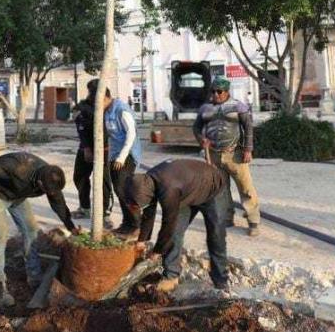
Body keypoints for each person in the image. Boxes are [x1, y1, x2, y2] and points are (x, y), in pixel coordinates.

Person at [0, 152, 78, 307]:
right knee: (1, 233)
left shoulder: (51, 178)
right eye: (47, 191)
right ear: (40, 183)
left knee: (31, 230)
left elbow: (58, 203)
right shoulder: (18, 166)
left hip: (17, 196)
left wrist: (71, 227)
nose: (50, 194)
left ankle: (34, 277)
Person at [124, 159, 229, 293]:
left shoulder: (168, 189)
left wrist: (157, 250)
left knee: (215, 238)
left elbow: (168, 224)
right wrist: (142, 240)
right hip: (186, 192)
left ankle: (221, 282)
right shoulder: (147, 182)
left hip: (213, 188)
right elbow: (148, 212)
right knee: (175, 234)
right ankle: (171, 276)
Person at [193, 76, 261, 236]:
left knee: (246, 188)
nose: (216, 95)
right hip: (214, 155)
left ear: (227, 91)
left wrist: (247, 149)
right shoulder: (205, 109)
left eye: (219, 91)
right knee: (221, 189)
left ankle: (253, 221)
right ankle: (227, 218)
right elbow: (196, 127)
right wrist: (201, 140)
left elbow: (248, 128)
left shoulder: (239, 106)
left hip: (234, 154)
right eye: (213, 91)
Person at [90, 80, 143, 235]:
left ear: (106, 97)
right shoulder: (106, 111)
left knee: (124, 190)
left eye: (99, 102)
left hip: (127, 155)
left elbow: (131, 134)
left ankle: (136, 225)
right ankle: (127, 223)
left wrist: (121, 157)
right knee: (119, 190)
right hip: (115, 154)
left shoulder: (121, 110)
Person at [72, 80, 113, 226]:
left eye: (92, 92)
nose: (90, 95)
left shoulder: (109, 107)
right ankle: (85, 207)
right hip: (85, 146)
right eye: (89, 91)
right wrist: (86, 148)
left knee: (104, 181)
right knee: (80, 176)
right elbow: (79, 122)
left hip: (105, 148)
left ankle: (105, 214)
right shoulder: (85, 106)